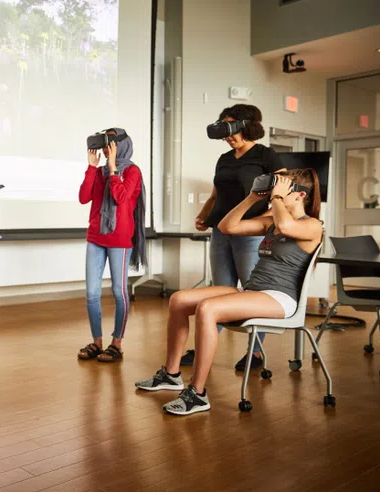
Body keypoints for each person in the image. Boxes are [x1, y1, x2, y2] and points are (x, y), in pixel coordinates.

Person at [135, 169, 322, 415]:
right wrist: (253, 198)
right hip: (254, 291)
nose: (275, 193)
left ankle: (198, 394)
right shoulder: (271, 223)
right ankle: (171, 375)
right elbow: (227, 226)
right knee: (179, 299)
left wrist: (275, 199)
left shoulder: (311, 225)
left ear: (299, 195)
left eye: (282, 188)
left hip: (281, 299)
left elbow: (286, 226)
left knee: (208, 308)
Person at [184, 104, 286, 371]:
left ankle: (256, 353)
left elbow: (281, 193)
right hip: (221, 231)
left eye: (230, 128)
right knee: (221, 292)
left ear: (246, 125)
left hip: (249, 233)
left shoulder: (266, 155)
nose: (227, 136)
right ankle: (205, 348)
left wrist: (265, 221)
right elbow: (216, 195)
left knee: (253, 292)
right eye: (224, 129)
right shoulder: (225, 159)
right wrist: (204, 216)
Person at [77, 128, 146, 362]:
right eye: (106, 143)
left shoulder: (133, 171)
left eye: (112, 143)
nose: (107, 148)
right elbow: (84, 197)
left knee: (119, 291)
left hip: (119, 239)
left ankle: (116, 343)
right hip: (95, 237)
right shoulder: (100, 172)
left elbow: (122, 198)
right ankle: (97, 342)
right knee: (91, 293)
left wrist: (114, 168)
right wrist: (91, 167)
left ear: (122, 145)